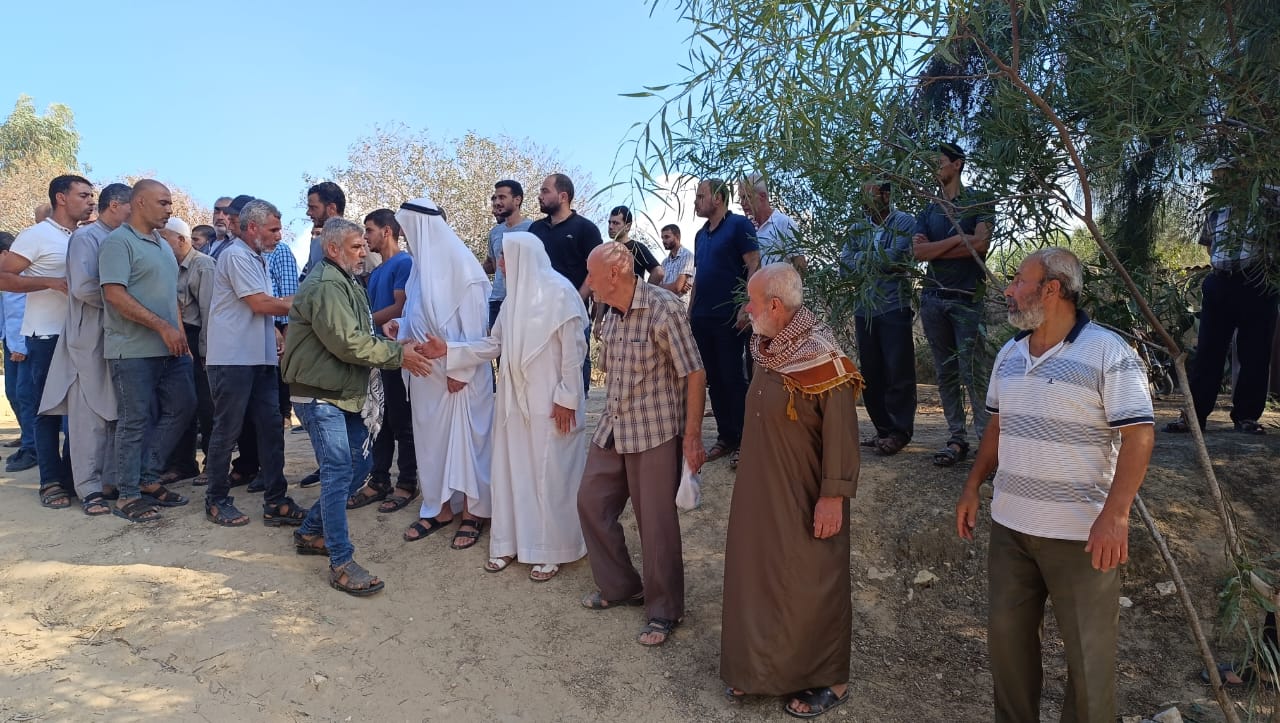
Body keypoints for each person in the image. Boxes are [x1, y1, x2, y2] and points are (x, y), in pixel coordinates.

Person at [955, 248, 1155, 722]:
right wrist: (972, 486)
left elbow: (1140, 435)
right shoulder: (1009, 354)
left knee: (1089, 663)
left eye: (1018, 281)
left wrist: (1116, 515)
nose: (1008, 290)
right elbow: (997, 427)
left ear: (1052, 289)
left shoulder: (1108, 352)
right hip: (1011, 530)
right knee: (1008, 649)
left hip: (1081, 536)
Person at [722, 263, 862, 718]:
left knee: (811, 581)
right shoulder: (766, 350)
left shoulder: (823, 358)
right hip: (761, 492)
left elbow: (841, 437)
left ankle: (830, 679)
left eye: (752, 302)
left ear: (776, 306)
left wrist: (832, 497)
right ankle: (762, 672)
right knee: (760, 577)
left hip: (805, 495)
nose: (747, 309)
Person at [417, 231, 590, 581]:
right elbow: (493, 344)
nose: (500, 264)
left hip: (551, 404)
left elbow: (575, 353)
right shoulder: (512, 301)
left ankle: (551, 549)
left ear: (524, 257)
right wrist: (448, 349)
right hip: (514, 404)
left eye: (505, 257)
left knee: (549, 474)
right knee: (513, 473)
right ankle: (511, 542)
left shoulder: (561, 293)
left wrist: (568, 397)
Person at [282, 218, 433, 597]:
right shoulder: (326, 285)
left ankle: (310, 532)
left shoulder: (345, 280)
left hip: (340, 390)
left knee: (359, 466)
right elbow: (348, 343)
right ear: (333, 249)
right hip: (320, 394)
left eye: (364, 244)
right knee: (338, 471)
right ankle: (341, 562)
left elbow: (358, 333)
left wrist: (389, 340)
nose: (363, 251)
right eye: (355, 246)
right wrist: (398, 355)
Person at [577, 242, 706, 646]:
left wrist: (692, 437)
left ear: (614, 273)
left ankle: (665, 610)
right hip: (614, 427)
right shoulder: (609, 312)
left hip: (654, 430)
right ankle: (622, 587)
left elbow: (694, 372)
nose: (588, 282)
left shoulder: (663, 307)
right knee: (590, 502)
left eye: (592, 274)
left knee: (656, 523)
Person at [388, 197, 495, 550]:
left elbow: (478, 332)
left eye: (408, 230)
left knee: (467, 446)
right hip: (425, 376)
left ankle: (474, 514)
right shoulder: (419, 269)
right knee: (432, 446)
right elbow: (418, 315)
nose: (405, 238)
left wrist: (459, 370)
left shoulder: (464, 268)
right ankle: (440, 508)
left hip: (458, 378)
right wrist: (399, 325)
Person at [98, 180, 196, 522]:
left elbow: (172, 298)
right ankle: (127, 495)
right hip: (131, 351)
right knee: (134, 421)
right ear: (139, 202)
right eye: (163, 202)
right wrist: (162, 327)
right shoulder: (118, 242)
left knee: (184, 406)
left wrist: (179, 335)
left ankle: (148, 477)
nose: (170, 209)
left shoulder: (163, 245)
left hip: (171, 350)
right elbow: (114, 294)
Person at [203, 199, 305, 528]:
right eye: (273, 229)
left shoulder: (257, 257)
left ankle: (276, 500)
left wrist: (274, 331)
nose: (279, 235)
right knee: (227, 430)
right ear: (252, 228)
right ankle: (216, 499)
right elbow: (261, 304)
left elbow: (261, 306)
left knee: (271, 428)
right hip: (233, 359)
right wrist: (310, 302)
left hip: (259, 358)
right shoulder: (236, 255)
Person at [0, 174, 95, 508]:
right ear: (61, 198)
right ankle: (50, 482)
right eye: (83, 195)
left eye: (91, 196)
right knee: (47, 412)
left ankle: (72, 478)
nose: (90, 201)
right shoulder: (36, 235)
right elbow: (3, 277)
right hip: (46, 337)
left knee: (79, 413)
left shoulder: (84, 237)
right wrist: (50, 283)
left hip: (81, 336)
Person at [39, 182, 132, 515]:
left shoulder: (126, 239)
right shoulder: (86, 238)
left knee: (116, 412)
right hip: (88, 338)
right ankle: (88, 488)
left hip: (120, 337)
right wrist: (127, 303)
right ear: (116, 205)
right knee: (88, 416)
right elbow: (83, 288)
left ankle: (109, 482)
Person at [1166, 162, 1279, 435]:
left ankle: (1246, 417)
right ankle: (1194, 417)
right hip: (1220, 283)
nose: (1220, 184)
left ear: (1243, 176)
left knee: (1255, 352)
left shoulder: (1267, 206)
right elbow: (1209, 245)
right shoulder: (1216, 210)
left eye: (1225, 178)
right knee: (1208, 351)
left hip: (1257, 283)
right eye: (1216, 179)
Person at [913, 142, 994, 467]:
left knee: (974, 373)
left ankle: (986, 445)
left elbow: (981, 244)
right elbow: (918, 253)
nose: (935, 167)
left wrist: (940, 247)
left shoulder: (978, 201)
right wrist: (960, 240)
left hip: (967, 299)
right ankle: (956, 439)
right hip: (933, 298)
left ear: (957, 164)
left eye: (940, 161)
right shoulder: (928, 210)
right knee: (945, 373)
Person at [345, 209, 419, 513]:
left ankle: (407, 483)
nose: (366, 237)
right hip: (376, 353)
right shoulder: (376, 272)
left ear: (387, 231)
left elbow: (400, 307)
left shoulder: (404, 263)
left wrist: (361, 325)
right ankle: (379, 480)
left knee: (401, 420)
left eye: (370, 230)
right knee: (379, 420)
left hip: (396, 352)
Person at [843, 181, 920, 456]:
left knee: (898, 370)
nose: (865, 200)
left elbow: (893, 258)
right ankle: (883, 429)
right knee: (871, 372)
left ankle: (900, 431)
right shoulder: (857, 228)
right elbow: (844, 264)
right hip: (864, 308)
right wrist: (873, 260)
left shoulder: (905, 222)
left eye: (871, 194)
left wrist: (863, 259)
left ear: (886, 195)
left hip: (893, 305)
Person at [689, 178, 761, 468]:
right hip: (702, 317)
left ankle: (747, 440)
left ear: (718, 199)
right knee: (714, 379)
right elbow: (699, 277)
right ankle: (727, 436)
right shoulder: (700, 235)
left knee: (732, 377)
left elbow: (754, 262)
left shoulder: (739, 226)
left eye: (700, 196)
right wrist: (690, 312)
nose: (696, 201)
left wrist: (746, 304)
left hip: (730, 316)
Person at [528, 174, 603, 392]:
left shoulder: (586, 229)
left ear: (563, 196)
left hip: (573, 313)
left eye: (545, 191)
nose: (539, 196)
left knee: (576, 363)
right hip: (539, 313)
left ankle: (580, 404)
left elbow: (597, 269)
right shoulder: (535, 229)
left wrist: (576, 300)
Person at [160, 216, 216, 484]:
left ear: (181, 239)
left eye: (164, 238)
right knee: (180, 403)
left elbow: (209, 312)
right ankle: (182, 464)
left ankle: (213, 464)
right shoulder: (166, 264)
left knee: (207, 405)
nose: (160, 242)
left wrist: (206, 351)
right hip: (175, 339)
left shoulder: (203, 265)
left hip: (198, 338)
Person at [0, 232, 36, 472]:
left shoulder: (22, 276)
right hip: (9, 340)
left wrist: (21, 346)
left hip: (23, 343)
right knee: (13, 392)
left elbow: (24, 311)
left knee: (24, 395)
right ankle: (26, 438)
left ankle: (32, 448)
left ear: (5, 254)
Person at [483, 180, 534, 330]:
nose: (497, 202)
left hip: (523, 301)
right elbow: (494, 265)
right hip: (497, 300)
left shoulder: (533, 228)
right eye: (495, 198)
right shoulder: (494, 233)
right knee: (496, 344)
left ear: (517, 200)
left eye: (502, 197)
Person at [738, 174, 806, 272]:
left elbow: (800, 265)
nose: (742, 203)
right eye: (741, 198)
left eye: (746, 197)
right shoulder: (746, 228)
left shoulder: (784, 223)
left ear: (762, 196)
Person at [607, 206, 665, 284]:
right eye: (609, 222)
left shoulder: (637, 248)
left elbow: (658, 272)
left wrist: (644, 291)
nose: (610, 227)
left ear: (627, 226)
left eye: (615, 223)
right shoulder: (606, 250)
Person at [302, 181, 346, 276]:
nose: (308, 213)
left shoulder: (359, 240)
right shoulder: (316, 243)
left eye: (313, 208)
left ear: (332, 208)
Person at [208, 195, 252, 261]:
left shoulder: (241, 245)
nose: (220, 217)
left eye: (226, 213)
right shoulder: (205, 242)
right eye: (217, 212)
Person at [658, 224, 694, 300]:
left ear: (677, 237)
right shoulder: (664, 262)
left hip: (680, 304)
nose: (664, 241)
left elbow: (677, 287)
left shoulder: (687, 256)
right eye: (662, 238)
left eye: (667, 237)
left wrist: (659, 287)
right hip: (664, 303)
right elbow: (656, 287)